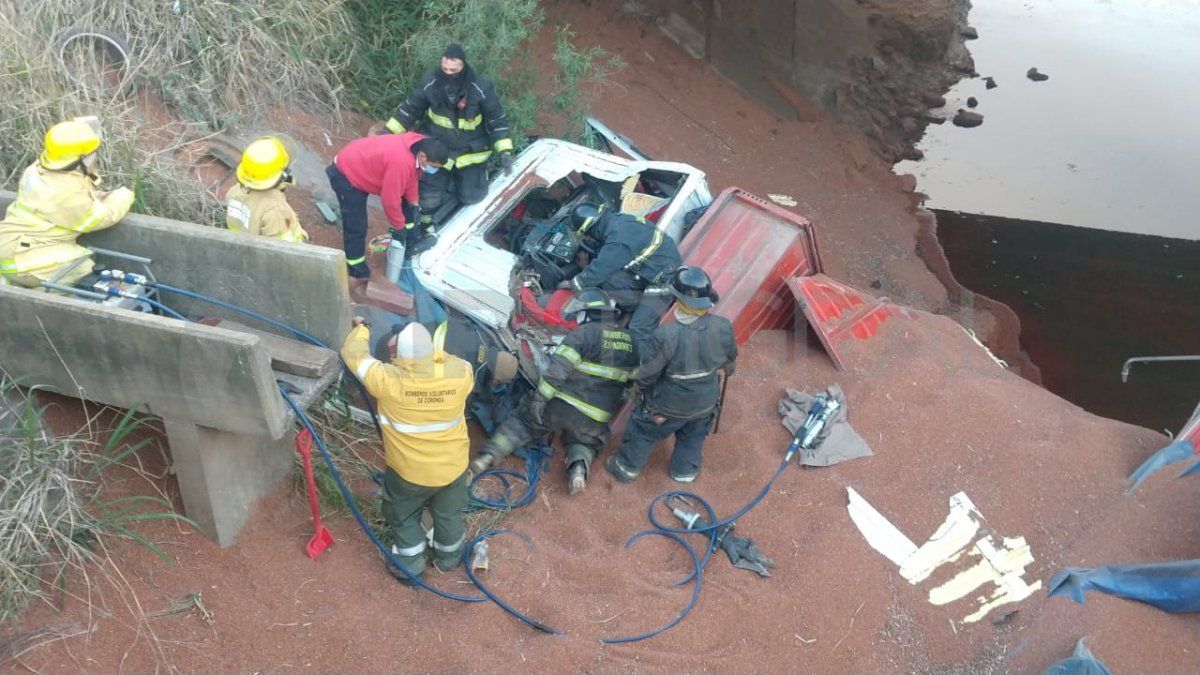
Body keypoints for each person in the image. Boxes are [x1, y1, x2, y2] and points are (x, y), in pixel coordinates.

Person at [340, 318, 474, 583]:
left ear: (397, 354)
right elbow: (460, 363)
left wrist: (362, 327)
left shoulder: (387, 381)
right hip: (452, 470)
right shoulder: (459, 376)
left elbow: (353, 355)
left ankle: (411, 568)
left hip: (408, 475)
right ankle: (448, 560)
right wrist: (433, 357)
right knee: (448, 514)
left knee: (403, 516)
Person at [471, 288, 637, 494]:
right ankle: (578, 471)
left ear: (586, 313)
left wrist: (539, 399)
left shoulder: (584, 334)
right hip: (596, 416)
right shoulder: (632, 343)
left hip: (561, 405)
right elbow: (630, 384)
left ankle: (487, 456)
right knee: (584, 441)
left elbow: (557, 370)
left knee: (523, 423)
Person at [606, 267, 737, 484]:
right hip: (705, 402)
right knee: (693, 435)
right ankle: (684, 472)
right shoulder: (723, 326)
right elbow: (730, 358)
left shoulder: (665, 335)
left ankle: (625, 468)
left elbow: (647, 375)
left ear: (678, 300)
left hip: (668, 406)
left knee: (642, 428)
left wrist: (636, 389)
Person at [383, 44, 513, 236]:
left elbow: (497, 120)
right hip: (437, 150)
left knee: (472, 196)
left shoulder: (480, 87)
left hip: (470, 153)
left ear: (463, 66)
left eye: (454, 70)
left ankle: (456, 224)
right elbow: (410, 110)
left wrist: (505, 152)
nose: (449, 73)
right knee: (427, 196)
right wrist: (386, 136)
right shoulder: (431, 82)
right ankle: (422, 228)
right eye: (445, 69)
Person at [0, 118, 134, 288]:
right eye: (91, 155)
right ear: (80, 160)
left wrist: (95, 196)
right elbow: (101, 217)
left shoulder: (37, 169)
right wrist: (124, 195)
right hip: (24, 256)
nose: (94, 159)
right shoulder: (66, 194)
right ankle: (35, 302)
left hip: (12, 244)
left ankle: (13, 285)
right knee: (81, 270)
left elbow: (68, 198)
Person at [558, 202, 682, 351]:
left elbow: (600, 270)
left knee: (638, 329)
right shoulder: (619, 221)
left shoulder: (617, 240)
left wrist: (572, 284)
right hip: (654, 267)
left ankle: (647, 368)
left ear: (592, 228)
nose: (588, 238)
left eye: (587, 234)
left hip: (663, 279)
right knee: (610, 280)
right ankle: (633, 309)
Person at [325, 133, 449, 282]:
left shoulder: (419, 146)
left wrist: (414, 203)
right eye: (434, 166)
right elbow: (390, 199)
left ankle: (410, 242)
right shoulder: (402, 162)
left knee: (409, 208)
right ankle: (356, 266)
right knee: (356, 224)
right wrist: (398, 226)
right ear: (423, 157)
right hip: (347, 173)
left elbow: (412, 177)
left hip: (364, 163)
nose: (434, 170)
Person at [225, 137, 308, 242]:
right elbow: (289, 248)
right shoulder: (276, 211)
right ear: (282, 174)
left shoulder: (234, 192)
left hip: (241, 243)